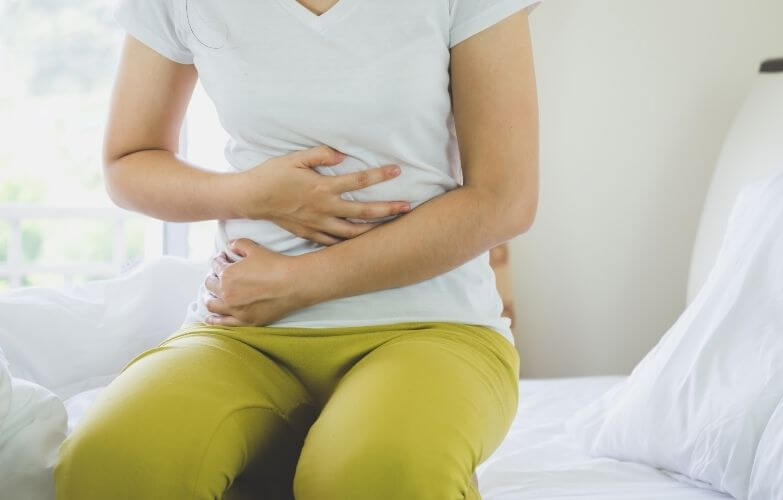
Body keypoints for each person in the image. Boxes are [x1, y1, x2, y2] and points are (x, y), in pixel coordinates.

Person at [54, 0, 541, 498]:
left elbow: (504, 200)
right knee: (112, 465)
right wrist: (250, 193)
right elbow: (129, 162)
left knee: (371, 478)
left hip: (433, 327)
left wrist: (300, 282)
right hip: (243, 332)